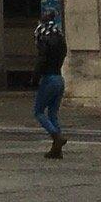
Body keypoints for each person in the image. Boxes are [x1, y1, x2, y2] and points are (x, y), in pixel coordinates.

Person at [33, 14, 67, 159]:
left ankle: (56, 136)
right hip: (60, 78)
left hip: (49, 79)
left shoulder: (44, 41)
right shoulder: (60, 41)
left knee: (39, 111)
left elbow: (42, 60)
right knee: (53, 114)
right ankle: (57, 150)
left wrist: (35, 77)